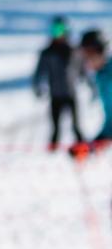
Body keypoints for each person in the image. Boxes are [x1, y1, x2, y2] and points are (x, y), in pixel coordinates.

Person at [36, 19, 86, 151]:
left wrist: (90, 85)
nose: (57, 34)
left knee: (76, 125)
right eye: (54, 31)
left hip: (71, 94)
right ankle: (53, 150)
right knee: (55, 127)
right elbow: (40, 72)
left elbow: (82, 70)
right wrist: (38, 86)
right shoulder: (47, 53)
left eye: (59, 30)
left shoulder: (74, 51)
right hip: (55, 95)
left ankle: (82, 148)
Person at [79, 30, 112, 150]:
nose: (85, 61)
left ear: (100, 51)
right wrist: (96, 143)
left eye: (88, 55)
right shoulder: (101, 76)